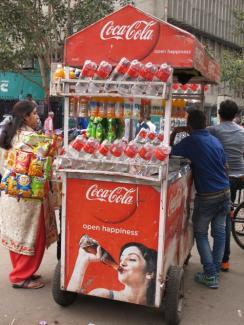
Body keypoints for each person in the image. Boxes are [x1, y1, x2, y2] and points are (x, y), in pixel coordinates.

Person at [170, 110, 231, 289]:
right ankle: (214, 270)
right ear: (205, 123)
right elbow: (225, 166)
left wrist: (175, 132)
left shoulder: (191, 141)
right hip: (224, 191)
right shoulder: (215, 140)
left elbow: (168, 152)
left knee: (201, 232)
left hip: (208, 196)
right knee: (219, 232)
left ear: (189, 126)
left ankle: (210, 274)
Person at [0, 101, 57, 289]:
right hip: (28, 198)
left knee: (18, 236)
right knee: (32, 236)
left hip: (10, 194)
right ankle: (20, 277)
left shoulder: (9, 135)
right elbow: (44, 165)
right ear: (25, 116)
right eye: (34, 113)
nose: (37, 116)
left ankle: (23, 272)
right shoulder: (31, 138)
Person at [208, 100, 244, 272]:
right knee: (226, 213)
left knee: (223, 220)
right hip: (240, 177)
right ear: (236, 115)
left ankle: (224, 260)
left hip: (223, 179)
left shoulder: (214, 130)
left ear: (219, 114)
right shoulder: (242, 131)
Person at [67, 239, 157, 306]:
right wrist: (83, 260)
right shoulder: (102, 294)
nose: (122, 263)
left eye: (132, 259)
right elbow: (72, 297)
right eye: (121, 259)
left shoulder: (155, 301)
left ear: (150, 273)